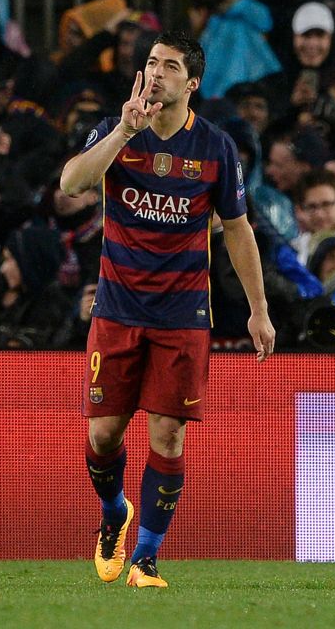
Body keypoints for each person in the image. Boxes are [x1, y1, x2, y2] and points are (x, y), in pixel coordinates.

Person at [59, 31, 276, 589]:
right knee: (105, 435)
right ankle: (114, 514)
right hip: (116, 308)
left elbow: (237, 230)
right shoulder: (117, 128)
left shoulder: (216, 148)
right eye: (151, 63)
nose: (156, 73)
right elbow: (72, 183)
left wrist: (258, 309)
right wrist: (125, 131)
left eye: (170, 66)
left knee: (168, 436)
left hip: (182, 316)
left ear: (193, 83)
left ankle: (147, 559)